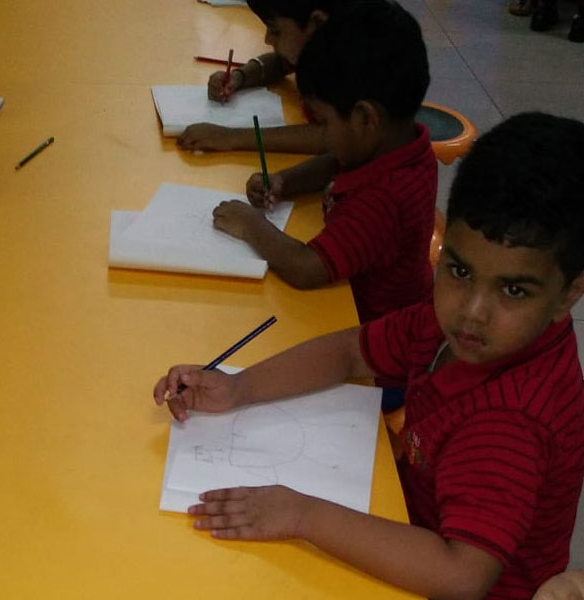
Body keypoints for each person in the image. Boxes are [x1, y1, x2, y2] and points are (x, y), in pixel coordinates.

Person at [153, 112, 584, 600]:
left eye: (513, 290)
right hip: (410, 520)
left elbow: (461, 575)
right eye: (460, 271)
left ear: (569, 294)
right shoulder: (447, 325)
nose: (473, 311)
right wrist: (240, 386)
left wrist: (301, 514)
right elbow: (349, 352)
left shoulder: (511, 422)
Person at [213, 0, 435, 327]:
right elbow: (334, 163)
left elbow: (306, 267)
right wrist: (284, 181)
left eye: (323, 122)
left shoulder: (385, 198)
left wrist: (251, 225)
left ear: (365, 118)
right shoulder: (393, 146)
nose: (322, 136)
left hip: (373, 333)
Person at [178, 0, 351, 154]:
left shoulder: (354, 57)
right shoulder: (316, 42)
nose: (267, 40)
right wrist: (240, 76)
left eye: (275, 31)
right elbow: (280, 63)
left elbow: (334, 136)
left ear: (316, 23)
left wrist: (230, 137)